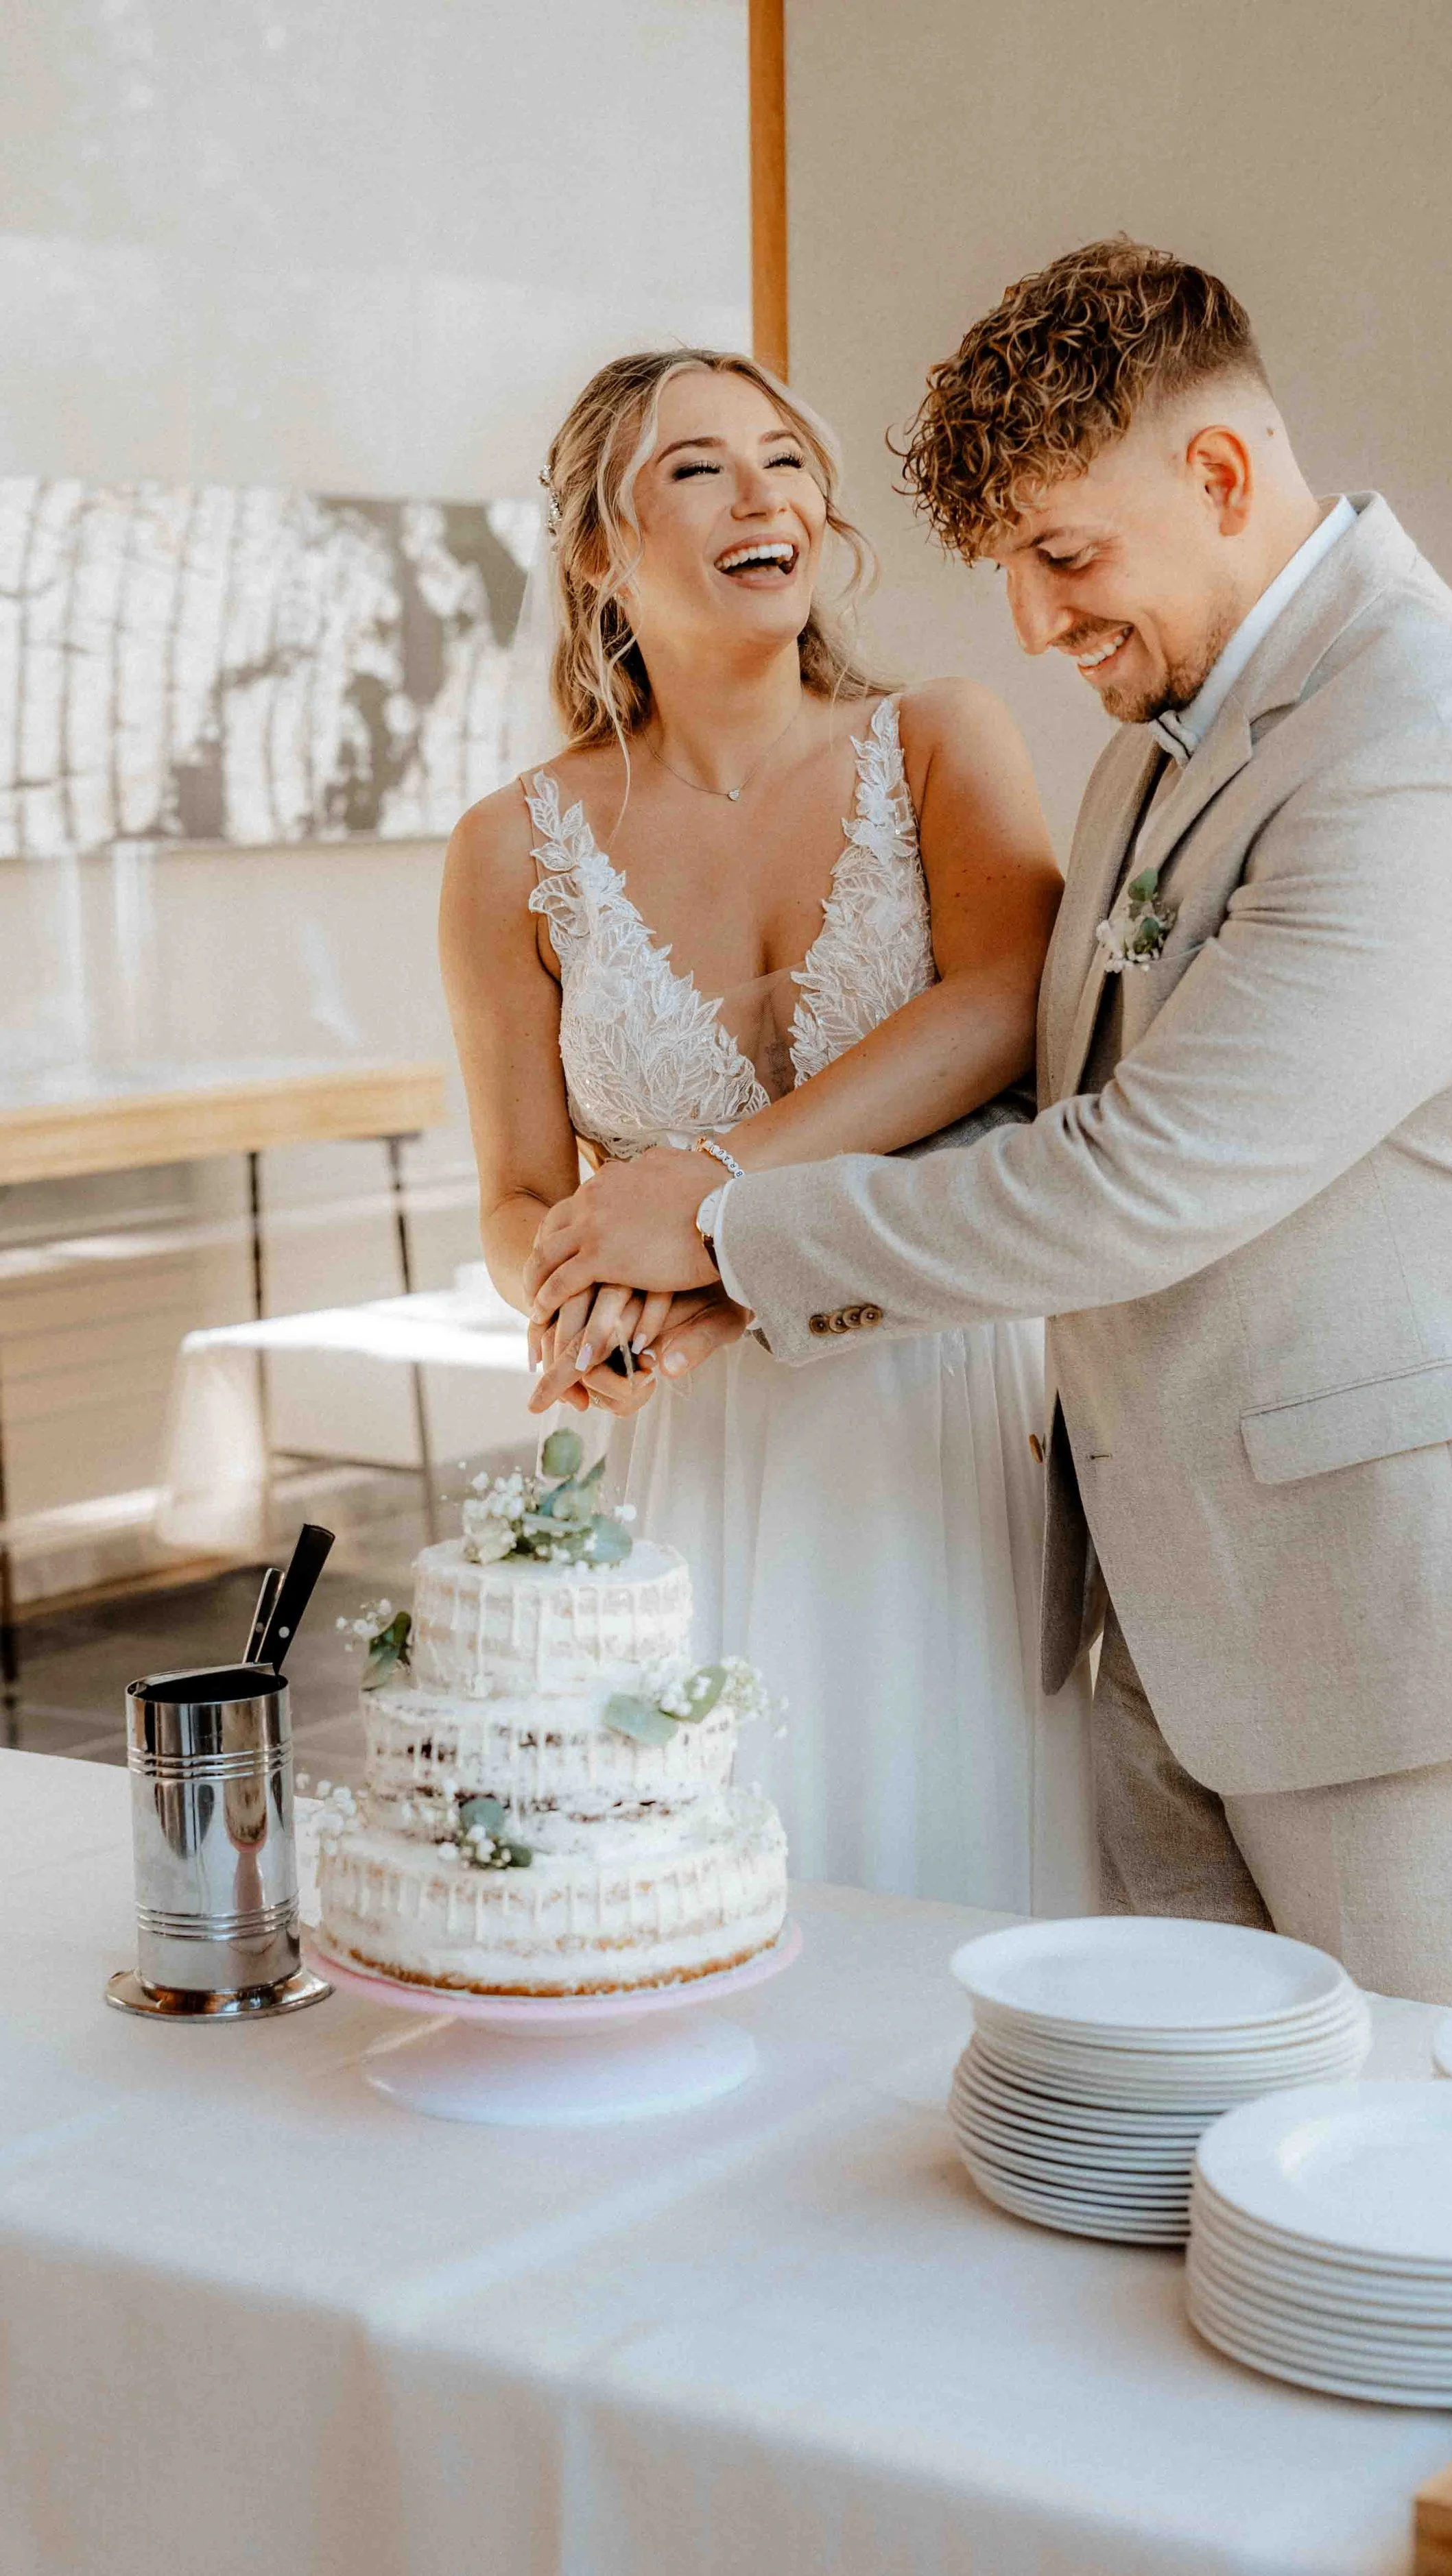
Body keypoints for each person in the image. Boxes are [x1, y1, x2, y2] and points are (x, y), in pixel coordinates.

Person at [537, 241, 1452, 2007]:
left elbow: (1136, 1181)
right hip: (1183, 1615)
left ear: (1219, 475)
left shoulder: (1430, 744)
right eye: (1006, 568)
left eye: (1063, 555)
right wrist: (726, 1295)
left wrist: (722, 1224)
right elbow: (1046, 1105)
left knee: (1422, 2143)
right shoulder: (1150, 753)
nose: (1030, 623)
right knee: (1183, 2148)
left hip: (1422, 1636)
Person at [440, 346, 1095, 1916]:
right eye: (697, 468)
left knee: (954, 1870)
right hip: (696, 1428)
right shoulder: (506, 847)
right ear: (598, 551)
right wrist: (589, 1298)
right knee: (704, 1885)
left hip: (933, 1397)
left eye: (785, 460)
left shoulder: (935, 738)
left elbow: (1004, 1002)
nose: (762, 496)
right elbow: (518, 1195)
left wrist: (712, 1190)